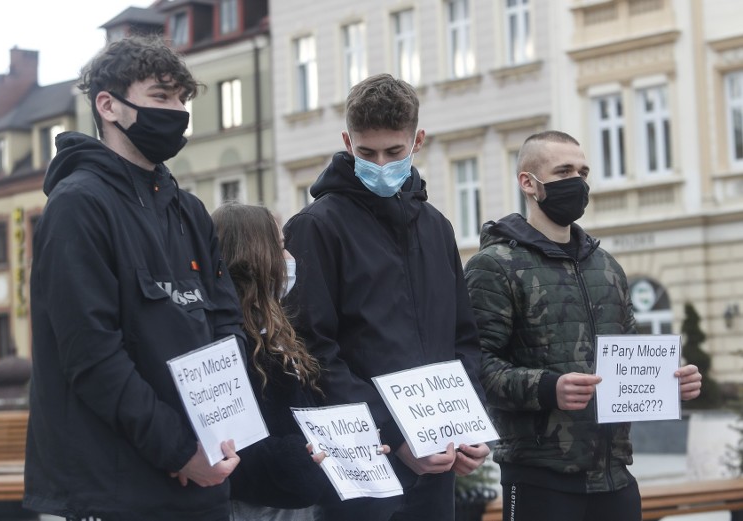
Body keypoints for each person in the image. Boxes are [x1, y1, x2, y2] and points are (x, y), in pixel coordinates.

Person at [24, 36, 245, 521]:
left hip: (204, 482)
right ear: (109, 106)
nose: (179, 112)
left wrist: (222, 435)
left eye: (183, 100)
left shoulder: (189, 211)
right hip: (114, 490)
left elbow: (228, 328)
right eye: (161, 97)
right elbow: (93, 356)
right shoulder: (78, 207)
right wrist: (180, 451)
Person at [463, 130, 703, 521]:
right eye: (563, 171)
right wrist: (547, 388)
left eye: (583, 171)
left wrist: (673, 381)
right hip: (540, 478)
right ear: (528, 183)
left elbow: (629, 355)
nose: (578, 181)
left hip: (615, 477)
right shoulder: (494, 266)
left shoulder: (606, 266)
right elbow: (475, 365)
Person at [282, 73, 490, 521]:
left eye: (394, 152)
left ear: (418, 140)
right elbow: (312, 351)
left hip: (439, 461)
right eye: (366, 152)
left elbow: (463, 340)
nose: (380, 164)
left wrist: (469, 425)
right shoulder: (315, 227)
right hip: (363, 466)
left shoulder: (437, 227)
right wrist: (395, 434)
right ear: (346, 140)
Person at [212, 202, 331, 521]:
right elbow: (234, 439)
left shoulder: (274, 327)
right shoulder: (226, 336)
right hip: (257, 505)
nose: (290, 259)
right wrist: (296, 456)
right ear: (255, 254)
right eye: (280, 247)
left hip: (293, 498)